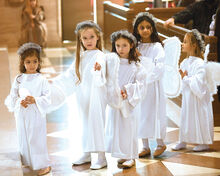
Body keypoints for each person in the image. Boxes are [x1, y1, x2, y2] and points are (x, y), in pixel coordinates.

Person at [51, 20, 107, 170]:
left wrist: (99, 70)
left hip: (96, 95)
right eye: (85, 38)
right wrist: (54, 82)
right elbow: (69, 75)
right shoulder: (81, 57)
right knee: (84, 123)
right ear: (80, 40)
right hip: (82, 96)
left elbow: (103, 71)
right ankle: (86, 152)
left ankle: (102, 157)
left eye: (91, 37)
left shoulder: (100, 55)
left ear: (98, 38)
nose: (88, 41)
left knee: (97, 123)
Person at [4, 42, 51, 176]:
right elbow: (12, 97)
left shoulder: (41, 79)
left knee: (36, 138)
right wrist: (20, 102)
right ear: (23, 62)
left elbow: (47, 97)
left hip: (36, 115)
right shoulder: (19, 79)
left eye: (35, 61)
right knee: (24, 137)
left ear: (39, 62)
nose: (32, 65)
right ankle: (28, 160)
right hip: (23, 115)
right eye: (28, 62)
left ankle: (43, 164)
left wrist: (35, 100)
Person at [105, 30, 147, 168]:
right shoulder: (112, 63)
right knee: (118, 128)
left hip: (129, 103)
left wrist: (128, 92)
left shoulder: (136, 66)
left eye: (124, 45)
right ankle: (123, 154)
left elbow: (141, 85)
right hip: (117, 102)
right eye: (117, 45)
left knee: (129, 128)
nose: (120, 49)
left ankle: (131, 156)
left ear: (131, 46)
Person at [172, 29, 214, 152]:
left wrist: (185, 78)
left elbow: (199, 83)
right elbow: (182, 79)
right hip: (188, 97)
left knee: (200, 117)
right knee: (186, 116)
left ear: (194, 45)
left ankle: (204, 142)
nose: (182, 44)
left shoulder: (200, 64)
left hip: (198, 98)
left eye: (185, 42)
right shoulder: (185, 62)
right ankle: (183, 140)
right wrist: (180, 77)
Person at [133, 12, 167, 157]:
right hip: (140, 87)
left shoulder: (157, 47)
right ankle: (145, 146)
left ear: (152, 29)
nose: (145, 30)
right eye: (142, 27)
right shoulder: (135, 47)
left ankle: (160, 143)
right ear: (137, 30)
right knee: (141, 114)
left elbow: (159, 68)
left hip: (153, 87)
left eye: (148, 27)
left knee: (155, 113)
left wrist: (146, 77)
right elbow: (133, 65)